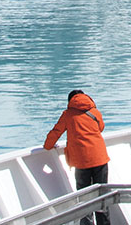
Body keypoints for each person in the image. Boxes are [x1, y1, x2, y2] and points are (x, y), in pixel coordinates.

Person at [44, 89, 111, 225]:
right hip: (100, 158)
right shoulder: (94, 112)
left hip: (81, 162)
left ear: (70, 101)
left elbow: (56, 131)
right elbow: (101, 127)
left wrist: (48, 146)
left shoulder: (67, 115)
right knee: (102, 195)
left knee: (84, 198)